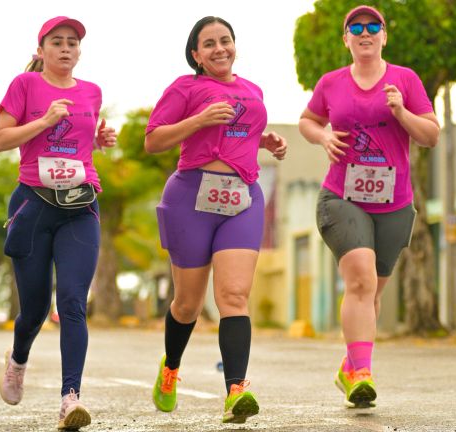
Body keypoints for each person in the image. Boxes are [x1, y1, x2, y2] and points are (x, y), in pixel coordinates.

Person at [145, 16, 287, 424]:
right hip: (191, 195)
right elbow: (153, 139)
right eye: (209, 44)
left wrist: (266, 140)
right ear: (196, 55)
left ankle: (236, 391)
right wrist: (198, 120)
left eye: (226, 40)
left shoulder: (251, 90)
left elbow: (240, 131)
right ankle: (170, 368)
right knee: (188, 303)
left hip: (242, 196)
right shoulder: (185, 88)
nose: (219, 48)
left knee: (234, 296)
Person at [298, 5, 439, 409]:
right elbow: (307, 120)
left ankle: (350, 365)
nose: (364, 32)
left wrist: (401, 111)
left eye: (372, 26)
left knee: (372, 294)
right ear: (346, 39)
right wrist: (321, 135)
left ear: (383, 36)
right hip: (342, 196)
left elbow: (431, 136)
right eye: (355, 27)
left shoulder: (405, 80)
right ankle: (362, 375)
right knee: (359, 280)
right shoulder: (331, 83)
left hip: (394, 202)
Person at [0, 16, 116, 431]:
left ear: (80, 52)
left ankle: (70, 398)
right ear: (41, 50)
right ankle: (18, 359)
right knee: (35, 310)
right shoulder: (24, 86)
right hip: (33, 205)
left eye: (73, 43)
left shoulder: (92, 91)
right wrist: (43, 122)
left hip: (80, 203)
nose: (66, 49)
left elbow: (82, 136)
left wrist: (99, 139)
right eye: (57, 42)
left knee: (73, 303)